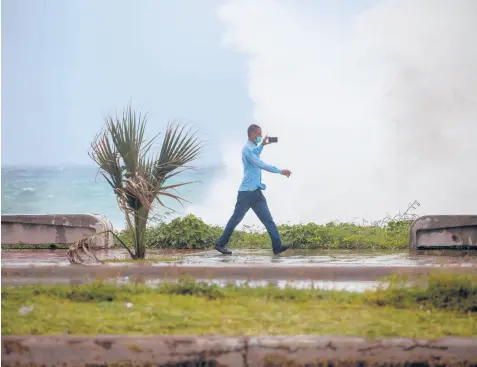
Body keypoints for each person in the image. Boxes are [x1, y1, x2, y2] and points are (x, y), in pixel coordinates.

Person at [214, 124, 293, 256]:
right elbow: (259, 163)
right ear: (251, 134)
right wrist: (280, 171)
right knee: (235, 219)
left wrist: (262, 145)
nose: (260, 136)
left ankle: (277, 247)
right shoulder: (246, 150)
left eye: (261, 134)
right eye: (259, 134)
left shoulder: (252, 148)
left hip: (256, 192)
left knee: (268, 219)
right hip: (246, 193)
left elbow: (255, 153)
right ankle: (220, 244)